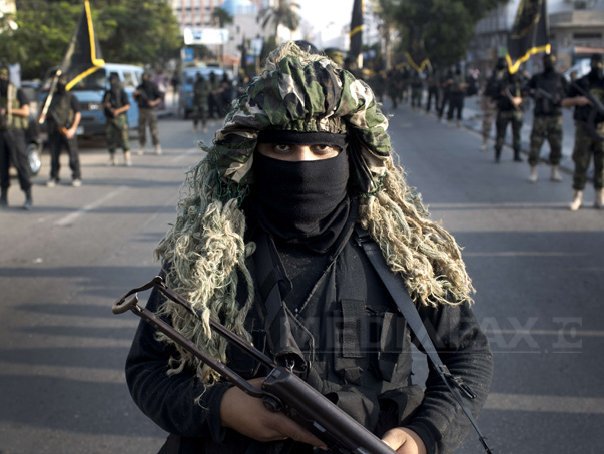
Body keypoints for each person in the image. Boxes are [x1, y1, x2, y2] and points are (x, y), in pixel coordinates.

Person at [124, 41, 493, 454]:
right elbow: (148, 370)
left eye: (322, 148)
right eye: (282, 147)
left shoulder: (399, 250)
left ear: (350, 156)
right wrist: (224, 406)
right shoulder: (209, 254)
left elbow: (467, 356)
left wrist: (422, 435)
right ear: (253, 155)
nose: (303, 165)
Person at [562, 53, 604, 210]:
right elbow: (564, 102)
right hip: (584, 128)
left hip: (602, 129)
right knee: (581, 162)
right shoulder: (581, 83)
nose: (597, 67)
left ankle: (600, 196)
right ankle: (577, 196)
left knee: (602, 164)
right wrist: (578, 100)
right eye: (595, 63)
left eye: (600, 64)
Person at [526, 54, 569, 183]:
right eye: (547, 61)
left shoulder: (560, 78)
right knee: (535, 144)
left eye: (551, 61)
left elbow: (568, 93)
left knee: (556, 145)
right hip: (540, 116)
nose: (548, 63)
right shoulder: (537, 78)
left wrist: (559, 98)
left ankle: (554, 171)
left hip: (555, 116)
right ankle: (533, 171)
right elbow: (526, 89)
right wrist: (534, 93)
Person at [0, 66, 33, 209]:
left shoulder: (17, 92)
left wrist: (8, 110)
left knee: (21, 164)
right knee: (2, 167)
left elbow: (26, 112)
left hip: (15, 132)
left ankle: (28, 195)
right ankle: (3, 196)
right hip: (1, 133)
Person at [45, 73, 82, 187]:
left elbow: (77, 114)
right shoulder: (50, 97)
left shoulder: (71, 97)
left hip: (68, 129)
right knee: (54, 156)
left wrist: (73, 129)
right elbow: (45, 113)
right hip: (54, 130)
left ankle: (76, 176)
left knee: (73, 155)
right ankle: (54, 177)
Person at [491, 65, 525, 162]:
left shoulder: (519, 83)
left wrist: (520, 100)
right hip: (504, 111)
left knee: (516, 134)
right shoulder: (501, 83)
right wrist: (501, 95)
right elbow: (494, 95)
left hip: (516, 111)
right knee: (501, 134)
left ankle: (516, 154)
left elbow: (525, 94)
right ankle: (498, 154)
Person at [102, 72, 131, 166]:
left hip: (121, 118)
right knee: (110, 138)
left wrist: (118, 111)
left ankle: (127, 158)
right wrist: (107, 106)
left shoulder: (122, 92)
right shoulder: (107, 93)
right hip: (110, 119)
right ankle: (112, 158)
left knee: (124, 138)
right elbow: (103, 104)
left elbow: (127, 106)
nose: (112, 83)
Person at [134, 71, 163, 155]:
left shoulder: (153, 86)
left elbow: (160, 97)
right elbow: (135, 99)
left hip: (151, 110)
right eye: (143, 77)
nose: (144, 79)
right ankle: (141, 146)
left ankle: (157, 146)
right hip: (141, 110)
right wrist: (135, 94)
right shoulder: (139, 87)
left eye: (145, 77)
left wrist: (154, 102)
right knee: (141, 129)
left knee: (153, 129)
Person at [481, 59, 506, 151]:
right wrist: (486, 103)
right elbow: (486, 91)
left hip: (503, 104)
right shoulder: (492, 77)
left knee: (501, 126)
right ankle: (485, 141)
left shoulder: (506, 76)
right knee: (487, 123)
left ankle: (498, 143)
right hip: (492, 102)